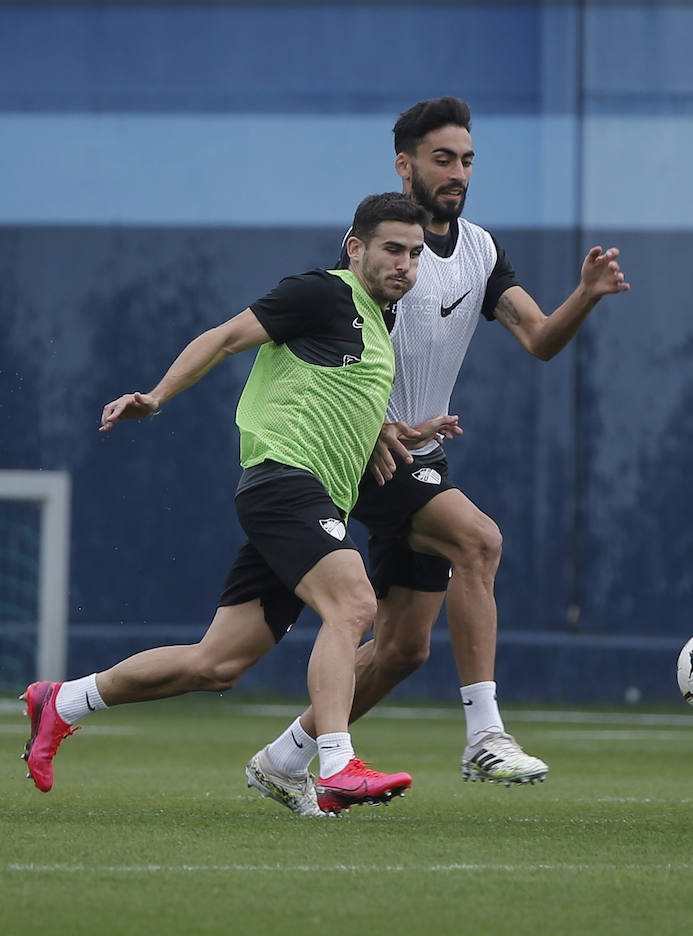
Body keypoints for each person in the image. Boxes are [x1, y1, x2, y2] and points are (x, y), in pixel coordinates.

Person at [245, 96, 630, 814]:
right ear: (407, 165)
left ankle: (284, 757)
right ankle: (485, 736)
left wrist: (586, 295)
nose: (457, 172)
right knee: (479, 540)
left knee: (402, 651)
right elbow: (327, 348)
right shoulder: (379, 251)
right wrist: (372, 428)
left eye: (467, 160)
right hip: (369, 454)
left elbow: (541, 340)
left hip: (421, 456)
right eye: (442, 159)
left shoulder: (481, 251)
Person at [21, 192, 435, 814]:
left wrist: (381, 430)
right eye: (392, 249)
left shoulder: (384, 321)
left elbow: (332, 386)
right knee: (353, 602)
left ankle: (64, 701)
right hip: (284, 483)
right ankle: (338, 765)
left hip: (310, 494)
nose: (405, 264)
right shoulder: (321, 292)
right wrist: (156, 397)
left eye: (416, 253)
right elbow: (223, 339)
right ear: (356, 248)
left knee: (216, 664)